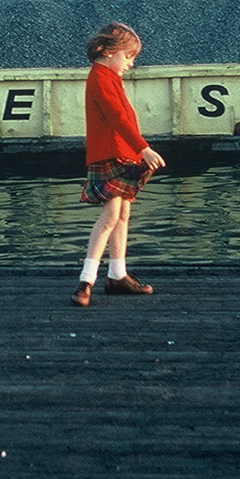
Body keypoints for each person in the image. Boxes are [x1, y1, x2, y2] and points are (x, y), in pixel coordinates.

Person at [72, 21, 165, 307]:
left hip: (122, 155)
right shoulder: (99, 78)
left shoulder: (110, 77)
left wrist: (136, 152)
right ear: (105, 50)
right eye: (128, 56)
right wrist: (144, 148)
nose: (131, 63)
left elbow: (122, 118)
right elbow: (117, 118)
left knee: (123, 215)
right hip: (110, 155)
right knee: (111, 217)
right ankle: (86, 280)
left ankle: (117, 275)